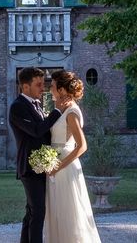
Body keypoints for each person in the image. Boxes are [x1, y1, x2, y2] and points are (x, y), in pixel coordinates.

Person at [44, 70, 102, 243]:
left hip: (65, 168)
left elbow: (82, 145)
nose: (50, 90)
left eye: (53, 86)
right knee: (57, 213)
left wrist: (58, 166)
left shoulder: (71, 112)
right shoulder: (61, 109)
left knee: (68, 214)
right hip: (55, 165)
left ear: (62, 90)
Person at [10, 67, 63, 243]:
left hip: (41, 166)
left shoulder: (37, 105)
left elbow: (46, 134)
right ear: (25, 87)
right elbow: (36, 130)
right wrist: (57, 111)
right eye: (39, 85)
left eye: (44, 84)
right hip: (29, 167)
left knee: (31, 212)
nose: (43, 88)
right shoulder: (17, 107)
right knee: (38, 212)